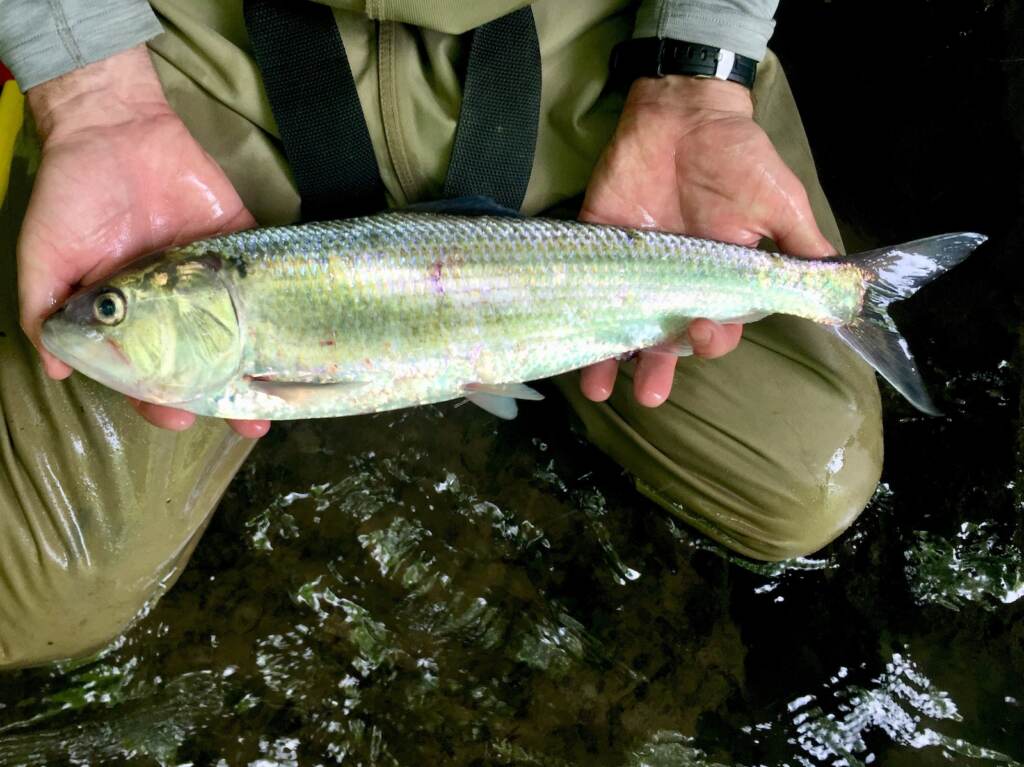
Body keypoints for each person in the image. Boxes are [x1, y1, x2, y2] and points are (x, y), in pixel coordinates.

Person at [0, 0, 882, 669]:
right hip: (180, 79)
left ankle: (801, 295)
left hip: (598, 63)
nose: (85, 320)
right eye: (111, 308)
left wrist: (701, 67)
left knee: (807, 474)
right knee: (35, 597)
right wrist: (82, 81)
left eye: (110, 310)